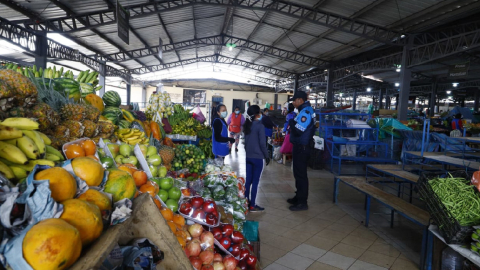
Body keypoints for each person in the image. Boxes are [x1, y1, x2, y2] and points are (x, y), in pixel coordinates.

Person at [287, 91, 316, 211]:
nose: (293, 103)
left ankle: (302, 202)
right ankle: (298, 197)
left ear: (300, 100)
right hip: (299, 146)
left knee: (301, 175)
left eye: (295, 100)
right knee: (297, 173)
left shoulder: (306, 112)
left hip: (302, 148)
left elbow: (299, 130)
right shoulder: (303, 111)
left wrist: (291, 122)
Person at [243, 105, 270, 212]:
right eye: (260, 112)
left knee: (248, 181)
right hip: (258, 158)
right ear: (257, 114)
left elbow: (245, 144)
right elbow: (263, 144)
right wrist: (266, 156)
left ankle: (245, 203)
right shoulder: (260, 126)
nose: (261, 114)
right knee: (255, 182)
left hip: (248, 157)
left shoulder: (247, 125)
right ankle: (253, 205)